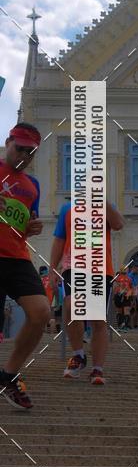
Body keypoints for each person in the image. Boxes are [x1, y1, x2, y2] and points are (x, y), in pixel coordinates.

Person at [0, 123, 50, 409]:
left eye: (30, 153)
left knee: (41, 313)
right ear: (8, 141)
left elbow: (29, 219)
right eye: (20, 148)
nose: (24, 156)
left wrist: (34, 226)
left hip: (17, 257)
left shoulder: (34, 185)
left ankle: (8, 375)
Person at [50, 200, 125, 386]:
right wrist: (52, 269)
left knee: (98, 319)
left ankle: (97, 368)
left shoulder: (108, 206)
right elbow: (60, 239)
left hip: (101, 268)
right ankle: (78, 355)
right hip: (73, 266)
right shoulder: (67, 208)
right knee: (70, 304)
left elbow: (118, 225)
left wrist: (103, 201)